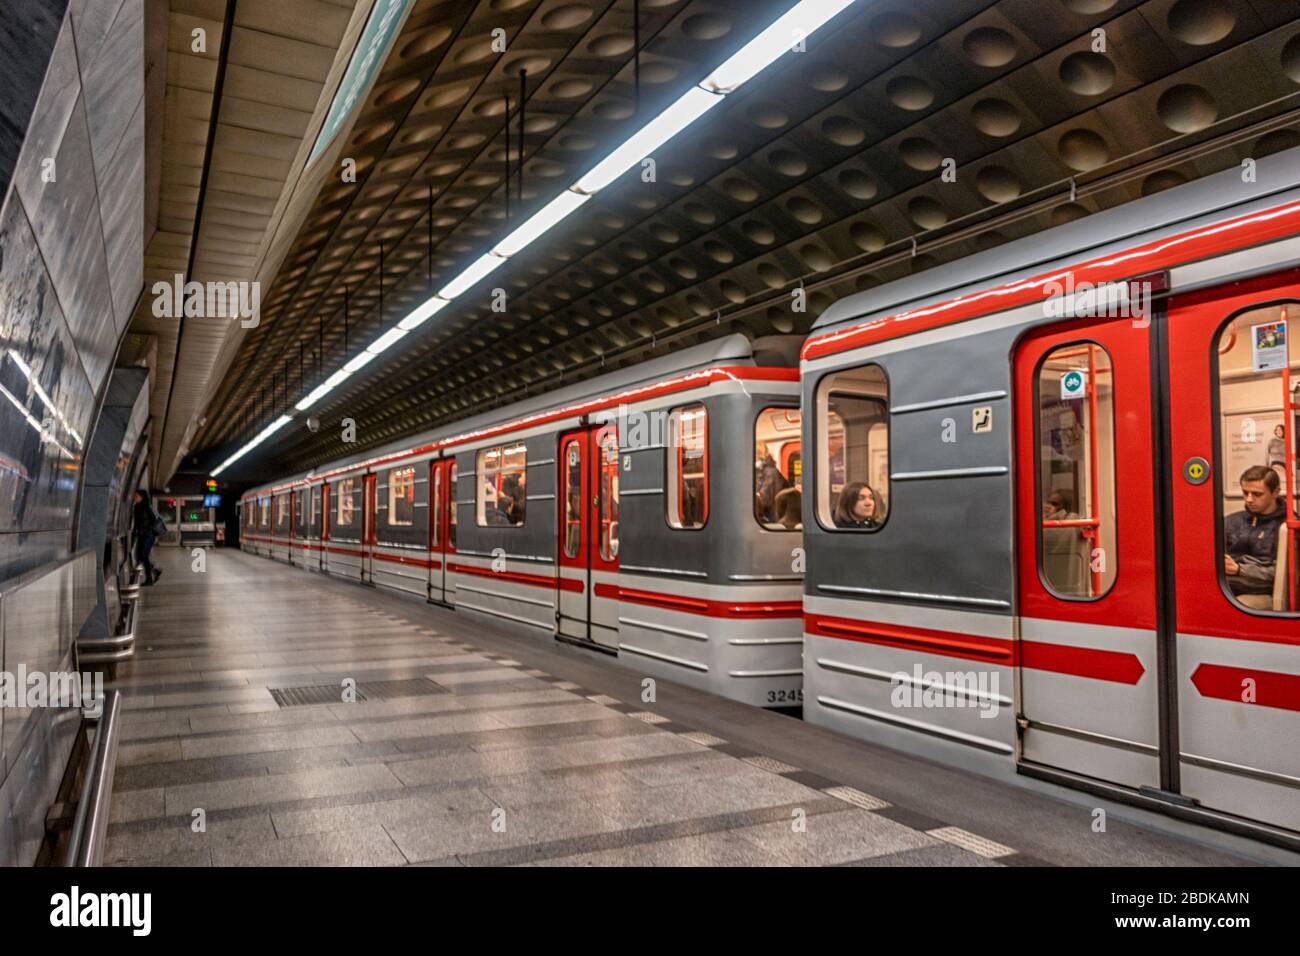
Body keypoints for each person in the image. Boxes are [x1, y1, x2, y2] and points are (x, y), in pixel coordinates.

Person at [1224, 465, 1285, 598]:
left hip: (1262, 588)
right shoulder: (1231, 521)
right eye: (1245, 493)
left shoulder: (1286, 526)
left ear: (1275, 492)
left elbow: (1286, 574)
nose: (1249, 499)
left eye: (1257, 494)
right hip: (1229, 583)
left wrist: (1240, 569)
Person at [132, 489, 164, 585]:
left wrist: (147, 530)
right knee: (140, 556)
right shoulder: (137, 507)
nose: (135, 498)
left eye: (137, 496)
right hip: (141, 535)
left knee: (144, 555)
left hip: (149, 535)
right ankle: (155, 570)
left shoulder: (147, 508)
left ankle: (149, 579)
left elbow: (154, 520)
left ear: (142, 497)